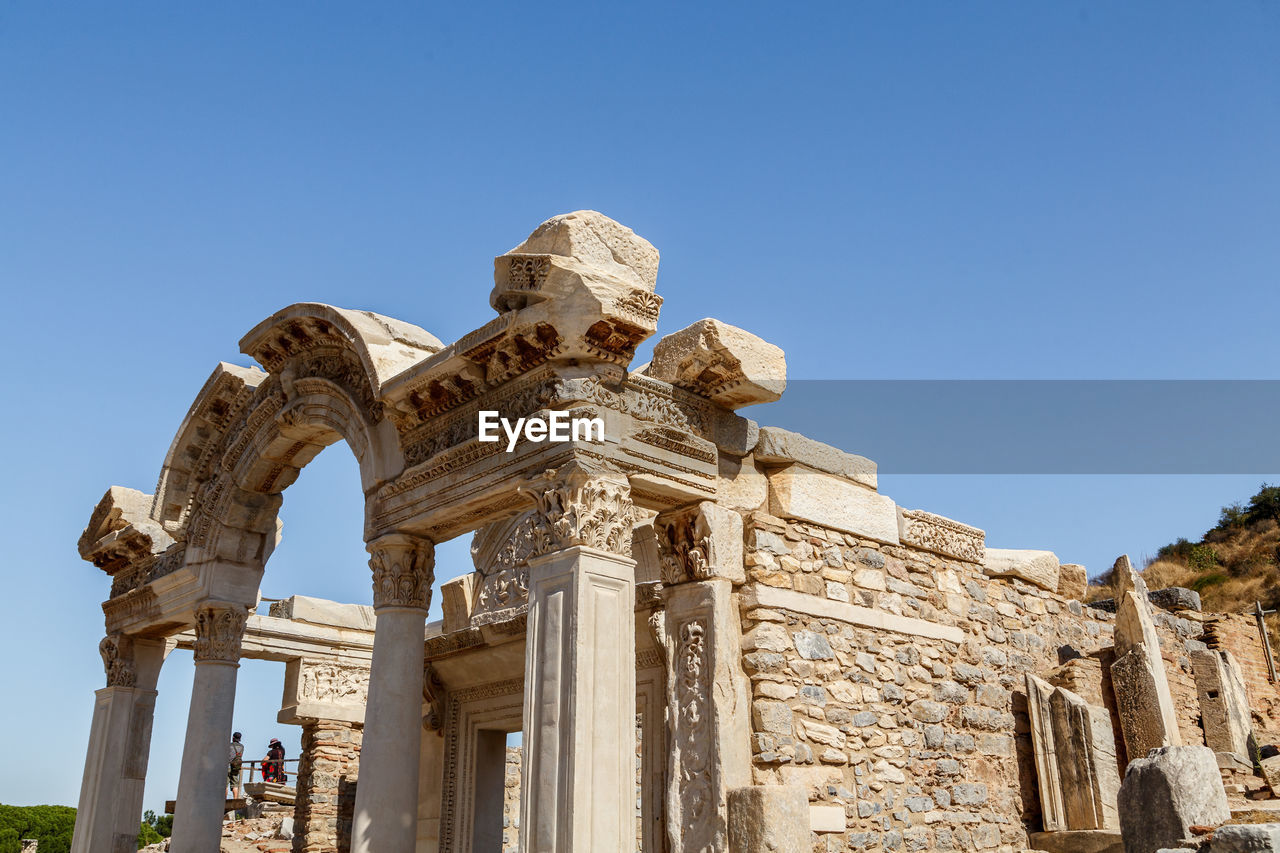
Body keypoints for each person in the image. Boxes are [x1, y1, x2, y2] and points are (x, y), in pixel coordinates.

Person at [227, 732, 244, 798]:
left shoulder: (229, 745)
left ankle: (224, 800)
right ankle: (235, 799)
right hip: (236, 766)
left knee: (225, 784)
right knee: (235, 784)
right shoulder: (242, 746)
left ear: (233, 737)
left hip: (228, 765)